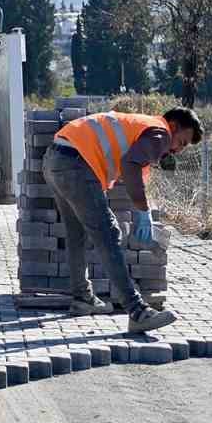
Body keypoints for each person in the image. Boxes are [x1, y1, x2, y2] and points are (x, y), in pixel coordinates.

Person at [45, 107, 203, 334]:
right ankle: (138, 312)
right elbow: (131, 165)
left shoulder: (141, 126)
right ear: (174, 126)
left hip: (55, 158)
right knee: (109, 234)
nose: (178, 149)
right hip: (76, 164)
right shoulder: (160, 133)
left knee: (76, 233)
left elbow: (131, 171)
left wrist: (141, 209)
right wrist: (142, 211)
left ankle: (82, 298)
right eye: (182, 141)